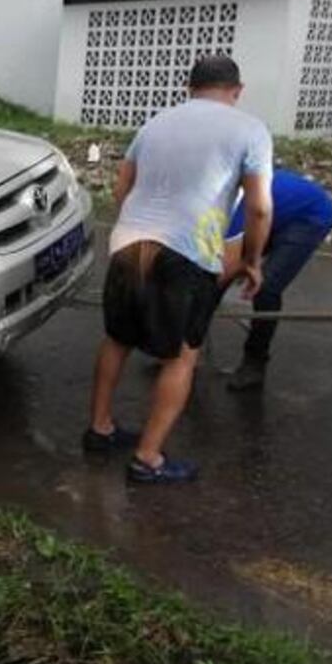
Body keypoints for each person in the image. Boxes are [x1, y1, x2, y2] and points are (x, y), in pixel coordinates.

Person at [84, 56, 273, 485]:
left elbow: (121, 188)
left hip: (128, 241)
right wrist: (251, 261)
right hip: (186, 253)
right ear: (237, 90)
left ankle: (99, 429)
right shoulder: (250, 130)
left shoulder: (155, 124)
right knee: (182, 356)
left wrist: (138, 227)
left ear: (190, 87)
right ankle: (148, 457)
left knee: (117, 339)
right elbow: (260, 208)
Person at [221, 169, 332, 390]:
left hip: (308, 217)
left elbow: (224, 266)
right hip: (271, 211)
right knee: (213, 273)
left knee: (266, 287)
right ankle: (183, 348)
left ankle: (254, 362)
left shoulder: (235, 206)